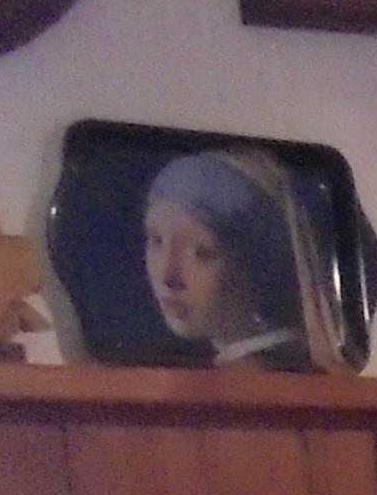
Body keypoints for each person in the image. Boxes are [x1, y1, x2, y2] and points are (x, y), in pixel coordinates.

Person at [140, 148, 328, 371]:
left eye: (202, 252)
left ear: (261, 267)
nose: (168, 276)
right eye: (157, 241)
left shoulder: (258, 375)